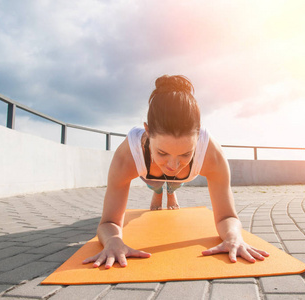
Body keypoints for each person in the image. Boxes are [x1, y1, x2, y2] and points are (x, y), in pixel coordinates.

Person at [82, 75, 269, 269]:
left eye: (185, 154)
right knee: (154, 184)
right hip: (149, 175)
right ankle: (158, 192)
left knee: (175, 181)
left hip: (183, 178)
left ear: (198, 137)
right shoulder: (128, 156)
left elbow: (227, 217)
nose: (172, 165)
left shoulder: (211, 154)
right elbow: (108, 222)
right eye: (162, 152)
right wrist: (113, 240)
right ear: (147, 131)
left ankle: (171, 190)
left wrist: (234, 237)